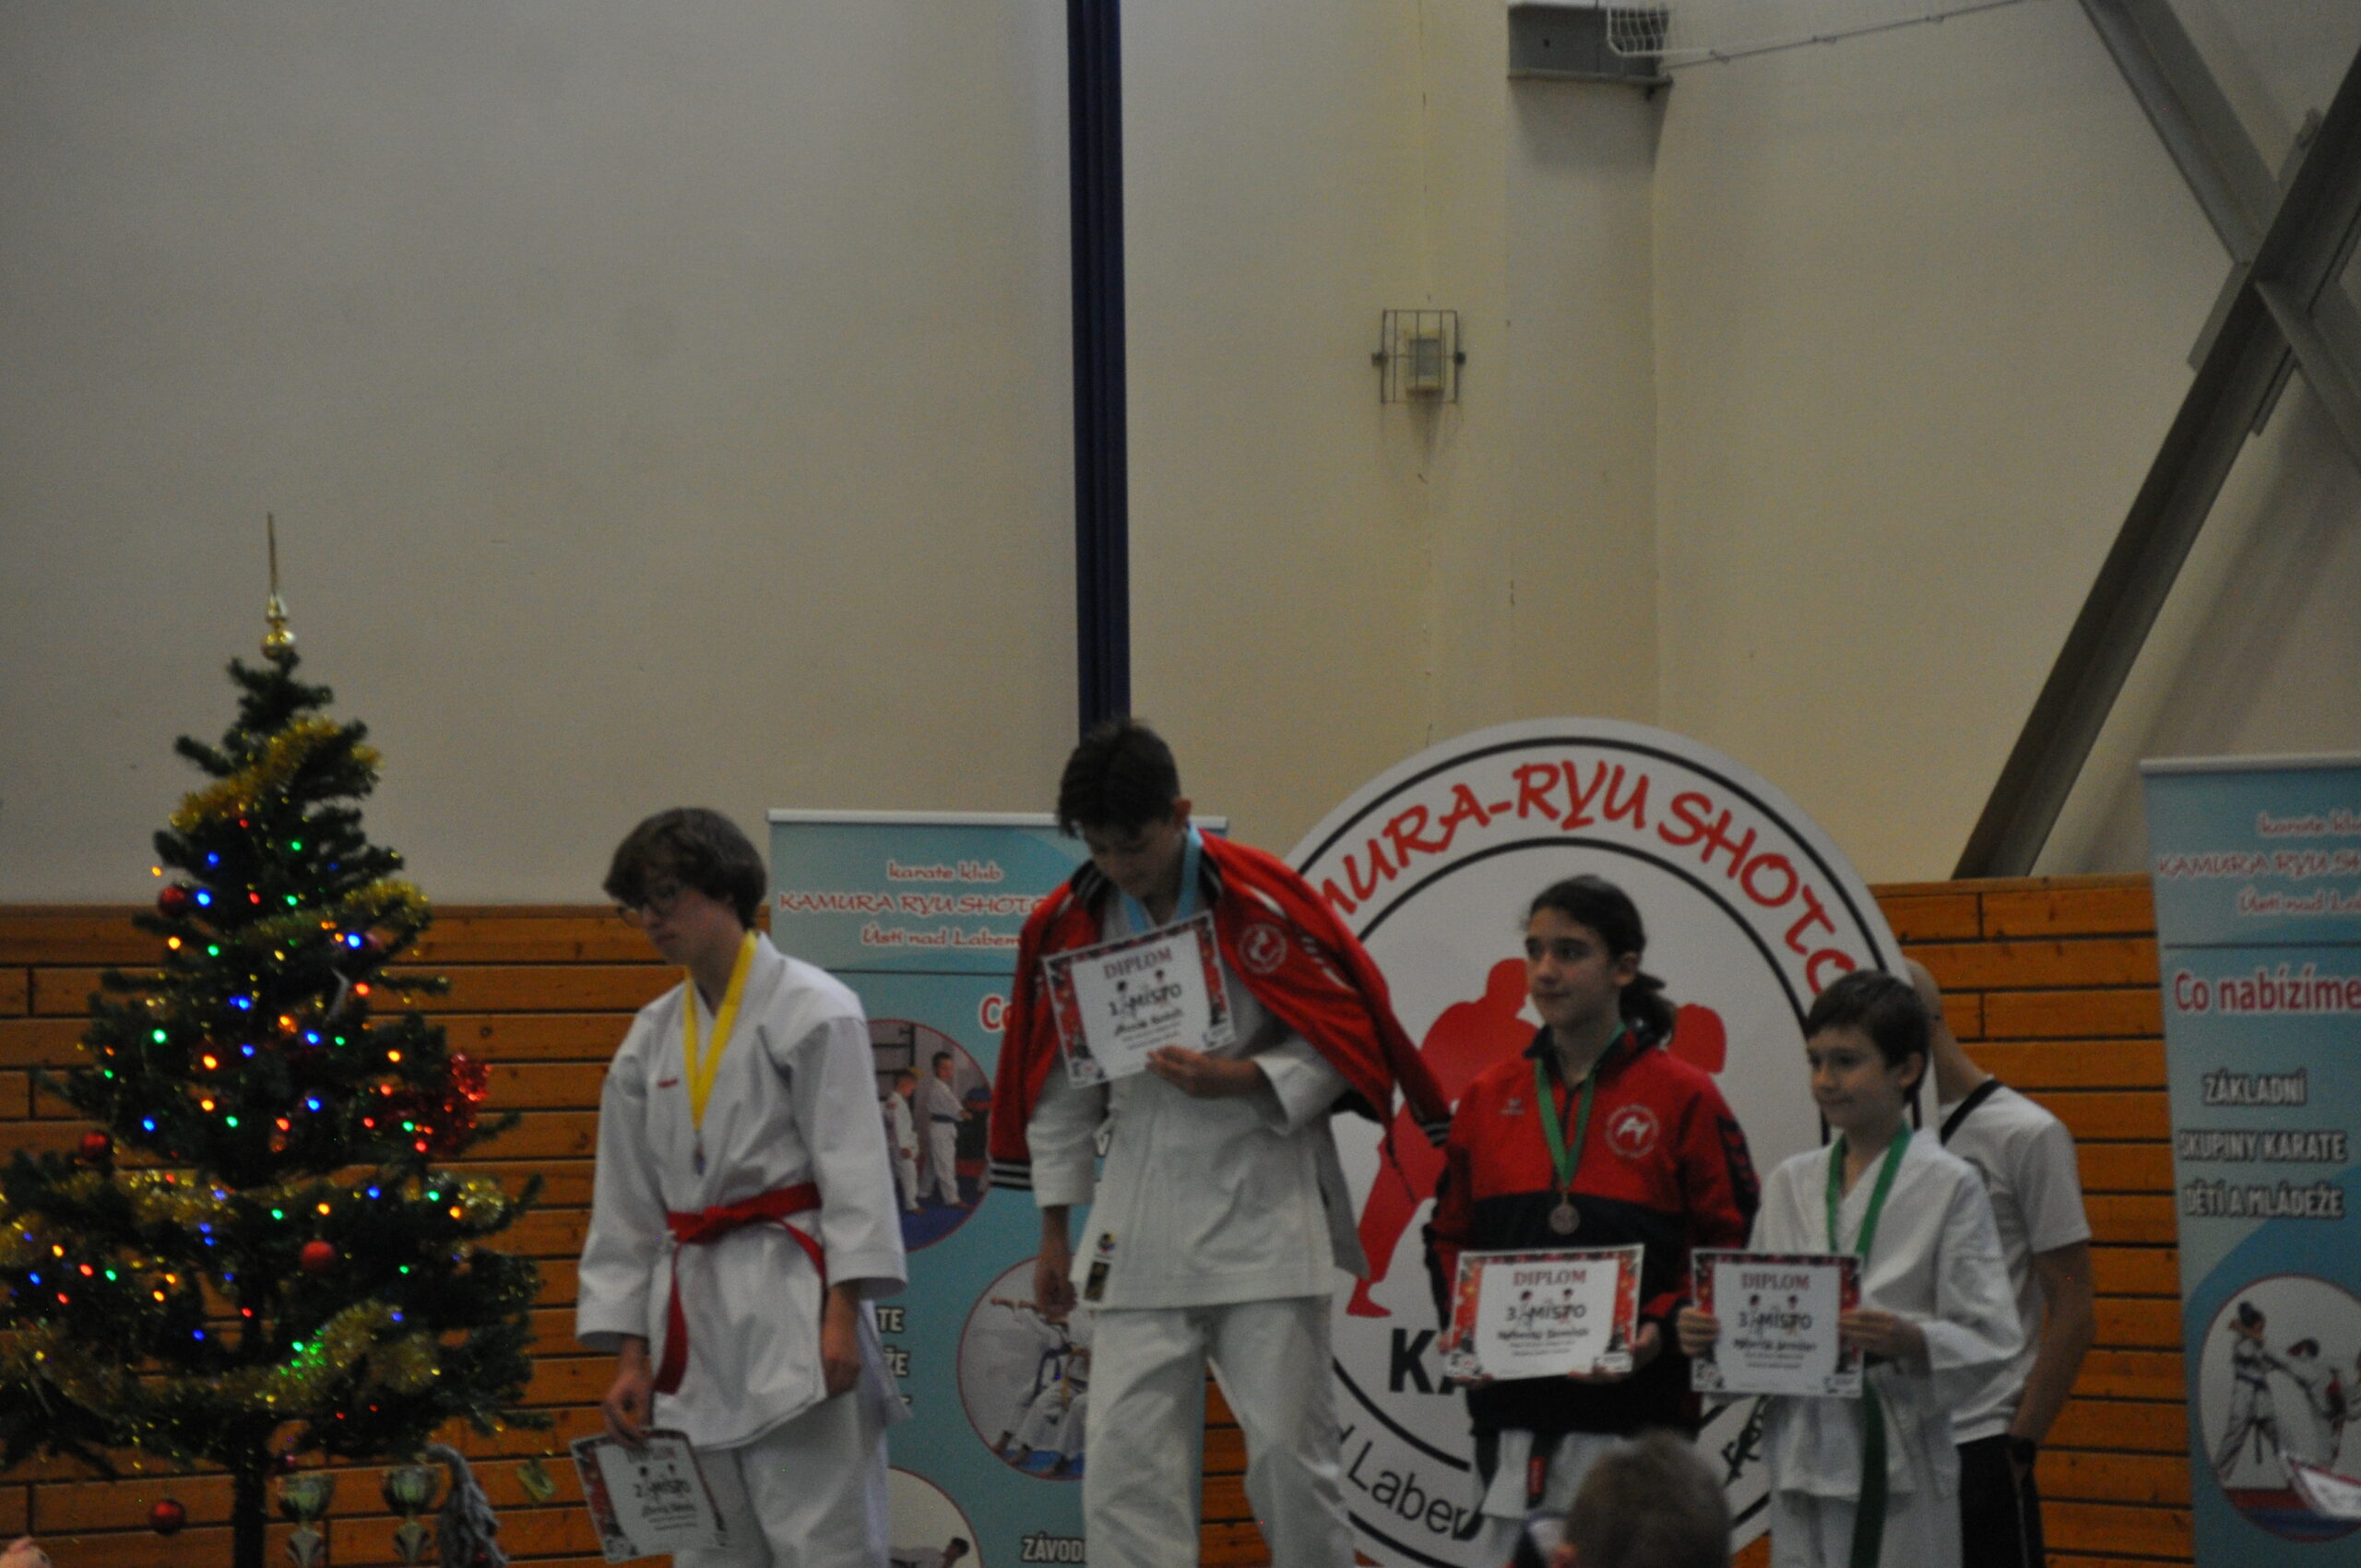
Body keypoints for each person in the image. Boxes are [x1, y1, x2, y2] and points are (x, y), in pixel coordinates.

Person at [988, 718, 1450, 1568]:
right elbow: (1055, 1087)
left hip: (1263, 1203)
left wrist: (1244, 1078)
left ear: (1180, 814)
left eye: (1133, 844)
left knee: (1289, 1460)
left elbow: (1345, 1037)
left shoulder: (1261, 898)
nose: (1119, 865)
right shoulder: (1069, 921)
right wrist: (1054, 1228)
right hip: (1135, 1217)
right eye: (1098, 847)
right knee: (1123, 1468)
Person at [578, 808, 908, 1568]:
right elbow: (626, 1211)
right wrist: (632, 1359)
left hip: (796, 1305)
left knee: (827, 1548)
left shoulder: (816, 1010)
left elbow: (856, 1175)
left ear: (725, 889)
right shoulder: (648, 1038)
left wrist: (842, 1316)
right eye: (638, 904)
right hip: (690, 1325)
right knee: (709, 1553)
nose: (651, 920)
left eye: (666, 896)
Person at [1424, 877, 1758, 1562]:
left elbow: (1728, 1241)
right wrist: (1465, 1324)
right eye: (1535, 951)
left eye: (1570, 952)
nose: (1545, 971)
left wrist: (1660, 1328)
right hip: (1511, 1415)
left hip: (1637, 1419)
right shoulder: (1489, 1097)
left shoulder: (1684, 1096)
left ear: (1623, 968)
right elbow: (1450, 1233)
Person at [1678, 969, 2019, 1568]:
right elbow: (1756, 1330)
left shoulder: (1950, 1183)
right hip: (1800, 1451)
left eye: (1846, 1062)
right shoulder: (1790, 1182)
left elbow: (1994, 1337)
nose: (1825, 1080)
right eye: (1815, 1061)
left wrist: (1914, 1340)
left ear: (1906, 1069)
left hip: (1899, 1450)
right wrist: (1710, 1335)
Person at [1906, 960, 2093, 1568]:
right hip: (1895, 1441)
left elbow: (2074, 1306)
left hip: (1983, 1440)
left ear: (1922, 1028)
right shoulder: (1874, 1141)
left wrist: (2020, 1444)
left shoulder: (2026, 1135)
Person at [917, 1051, 967, 1206]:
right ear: (935, 1069)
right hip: (941, 1129)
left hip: (940, 1127)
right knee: (945, 1164)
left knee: (932, 1162)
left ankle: (923, 1190)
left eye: (951, 1068)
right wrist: (969, 1114)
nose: (949, 1071)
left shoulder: (940, 1087)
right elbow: (959, 1112)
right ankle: (952, 1199)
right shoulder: (940, 1089)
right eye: (944, 1068)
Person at [885, 1069, 923, 1214]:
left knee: (893, 1174)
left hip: (894, 1145)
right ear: (904, 1084)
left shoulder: (896, 1101)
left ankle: (889, 1202)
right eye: (911, 1088)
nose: (911, 1092)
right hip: (900, 1146)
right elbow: (898, 1126)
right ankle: (911, 1204)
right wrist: (904, 1146)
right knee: (909, 1175)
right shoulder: (895, 1103)